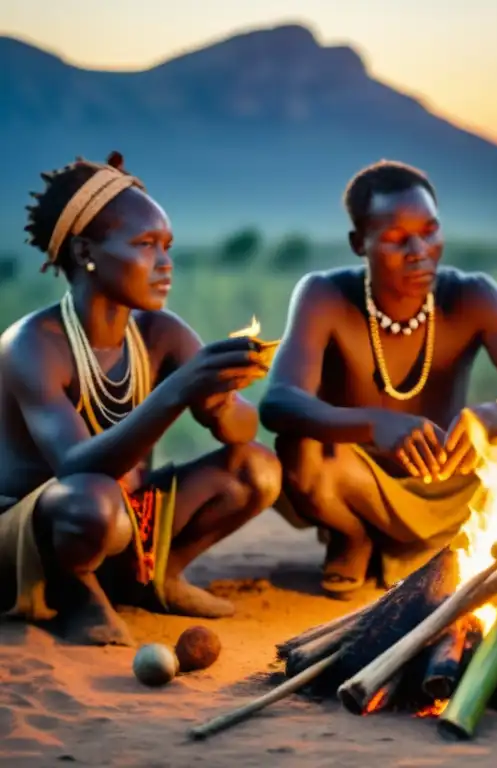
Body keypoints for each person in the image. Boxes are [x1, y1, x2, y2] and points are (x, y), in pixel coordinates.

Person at [260, 159, 497, 595]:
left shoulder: (472, 294)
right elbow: (279, 401)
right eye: (398, 239)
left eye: (431, 231)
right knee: (300, 451)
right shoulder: (324, 294)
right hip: (359, 484)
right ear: (360, 243)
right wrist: (375, 424)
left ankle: (453, 543)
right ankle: (353, 536)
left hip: (449, 479)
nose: (420, 250)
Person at [0, 152, 282, 647]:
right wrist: (177, 390)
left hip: (124, 521)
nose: (166, 263)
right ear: (87, 250)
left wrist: (219, 401)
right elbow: (74, 465)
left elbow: (243, 433)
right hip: (43, 534)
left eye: (168, 245)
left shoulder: (160, 333)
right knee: (92, 499)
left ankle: (159, 579)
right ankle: (77, 594)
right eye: (146, 244)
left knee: (256, 469)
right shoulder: (31, 344)